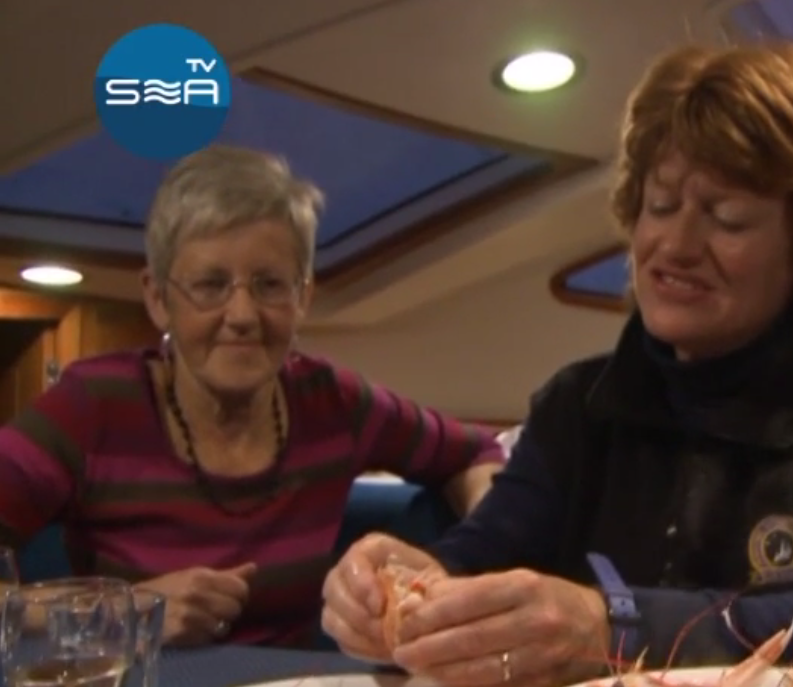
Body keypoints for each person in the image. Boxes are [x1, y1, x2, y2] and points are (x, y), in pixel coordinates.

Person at [321, 41, 793, 685]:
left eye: (727, 218)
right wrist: (407, 592)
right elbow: (476, 559)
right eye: (660, 205)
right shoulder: (576, 404)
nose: (674, 245)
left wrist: (611, 626)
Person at [0, 145, 505, 648]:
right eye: (210, 285)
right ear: (158, 298)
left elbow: (476, 453)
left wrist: (480, 556)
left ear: (303, 296)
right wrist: (125, 613)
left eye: (269, 285)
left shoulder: (336, 403)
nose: (242, 315)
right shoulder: (91, 406)